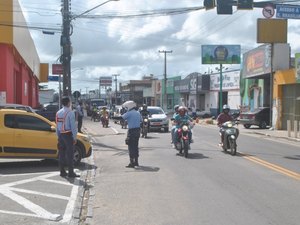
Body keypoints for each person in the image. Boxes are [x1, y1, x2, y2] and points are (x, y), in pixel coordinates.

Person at [56, 96, 80, 178]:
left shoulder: (58, 112)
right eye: (70, 101)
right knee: (70, 154)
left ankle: (62, 171)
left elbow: (57, 126)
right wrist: (75, 137)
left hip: (61, 135)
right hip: (68, 135)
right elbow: (73, 127)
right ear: (68, 103)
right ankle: (71, 172)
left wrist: (58, 136)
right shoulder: (70, 112)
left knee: (61, 154)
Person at [122, 100, 142, 168]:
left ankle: (132, 162)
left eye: (127, 107)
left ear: (129, 107)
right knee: (136, 146)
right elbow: (141, 120)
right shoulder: (138, 113)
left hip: (131, 131)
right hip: (138, 131)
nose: (126, 109)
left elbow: (122, 117)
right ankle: (136, 162)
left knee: (130, 146)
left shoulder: (129, 113)